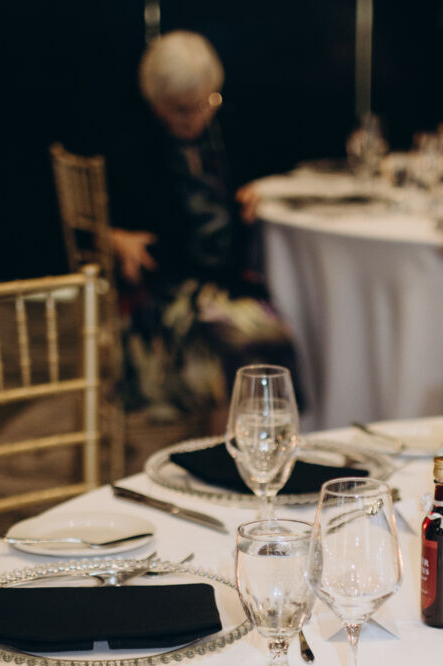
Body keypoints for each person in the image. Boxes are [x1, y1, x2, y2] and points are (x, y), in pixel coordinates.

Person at [105, 31, 300, 423]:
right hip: (162, 293)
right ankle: (226, 445)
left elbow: (268, 173)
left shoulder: (225, 131)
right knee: (239, 342)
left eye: (207, 103)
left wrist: (256, 192)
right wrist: (112, 237)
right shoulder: (126, 140)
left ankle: (249, 441)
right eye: (182, 109)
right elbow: (78, 219)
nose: (197, 118)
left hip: (225, 286)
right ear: (156, 102)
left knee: (277, 336)